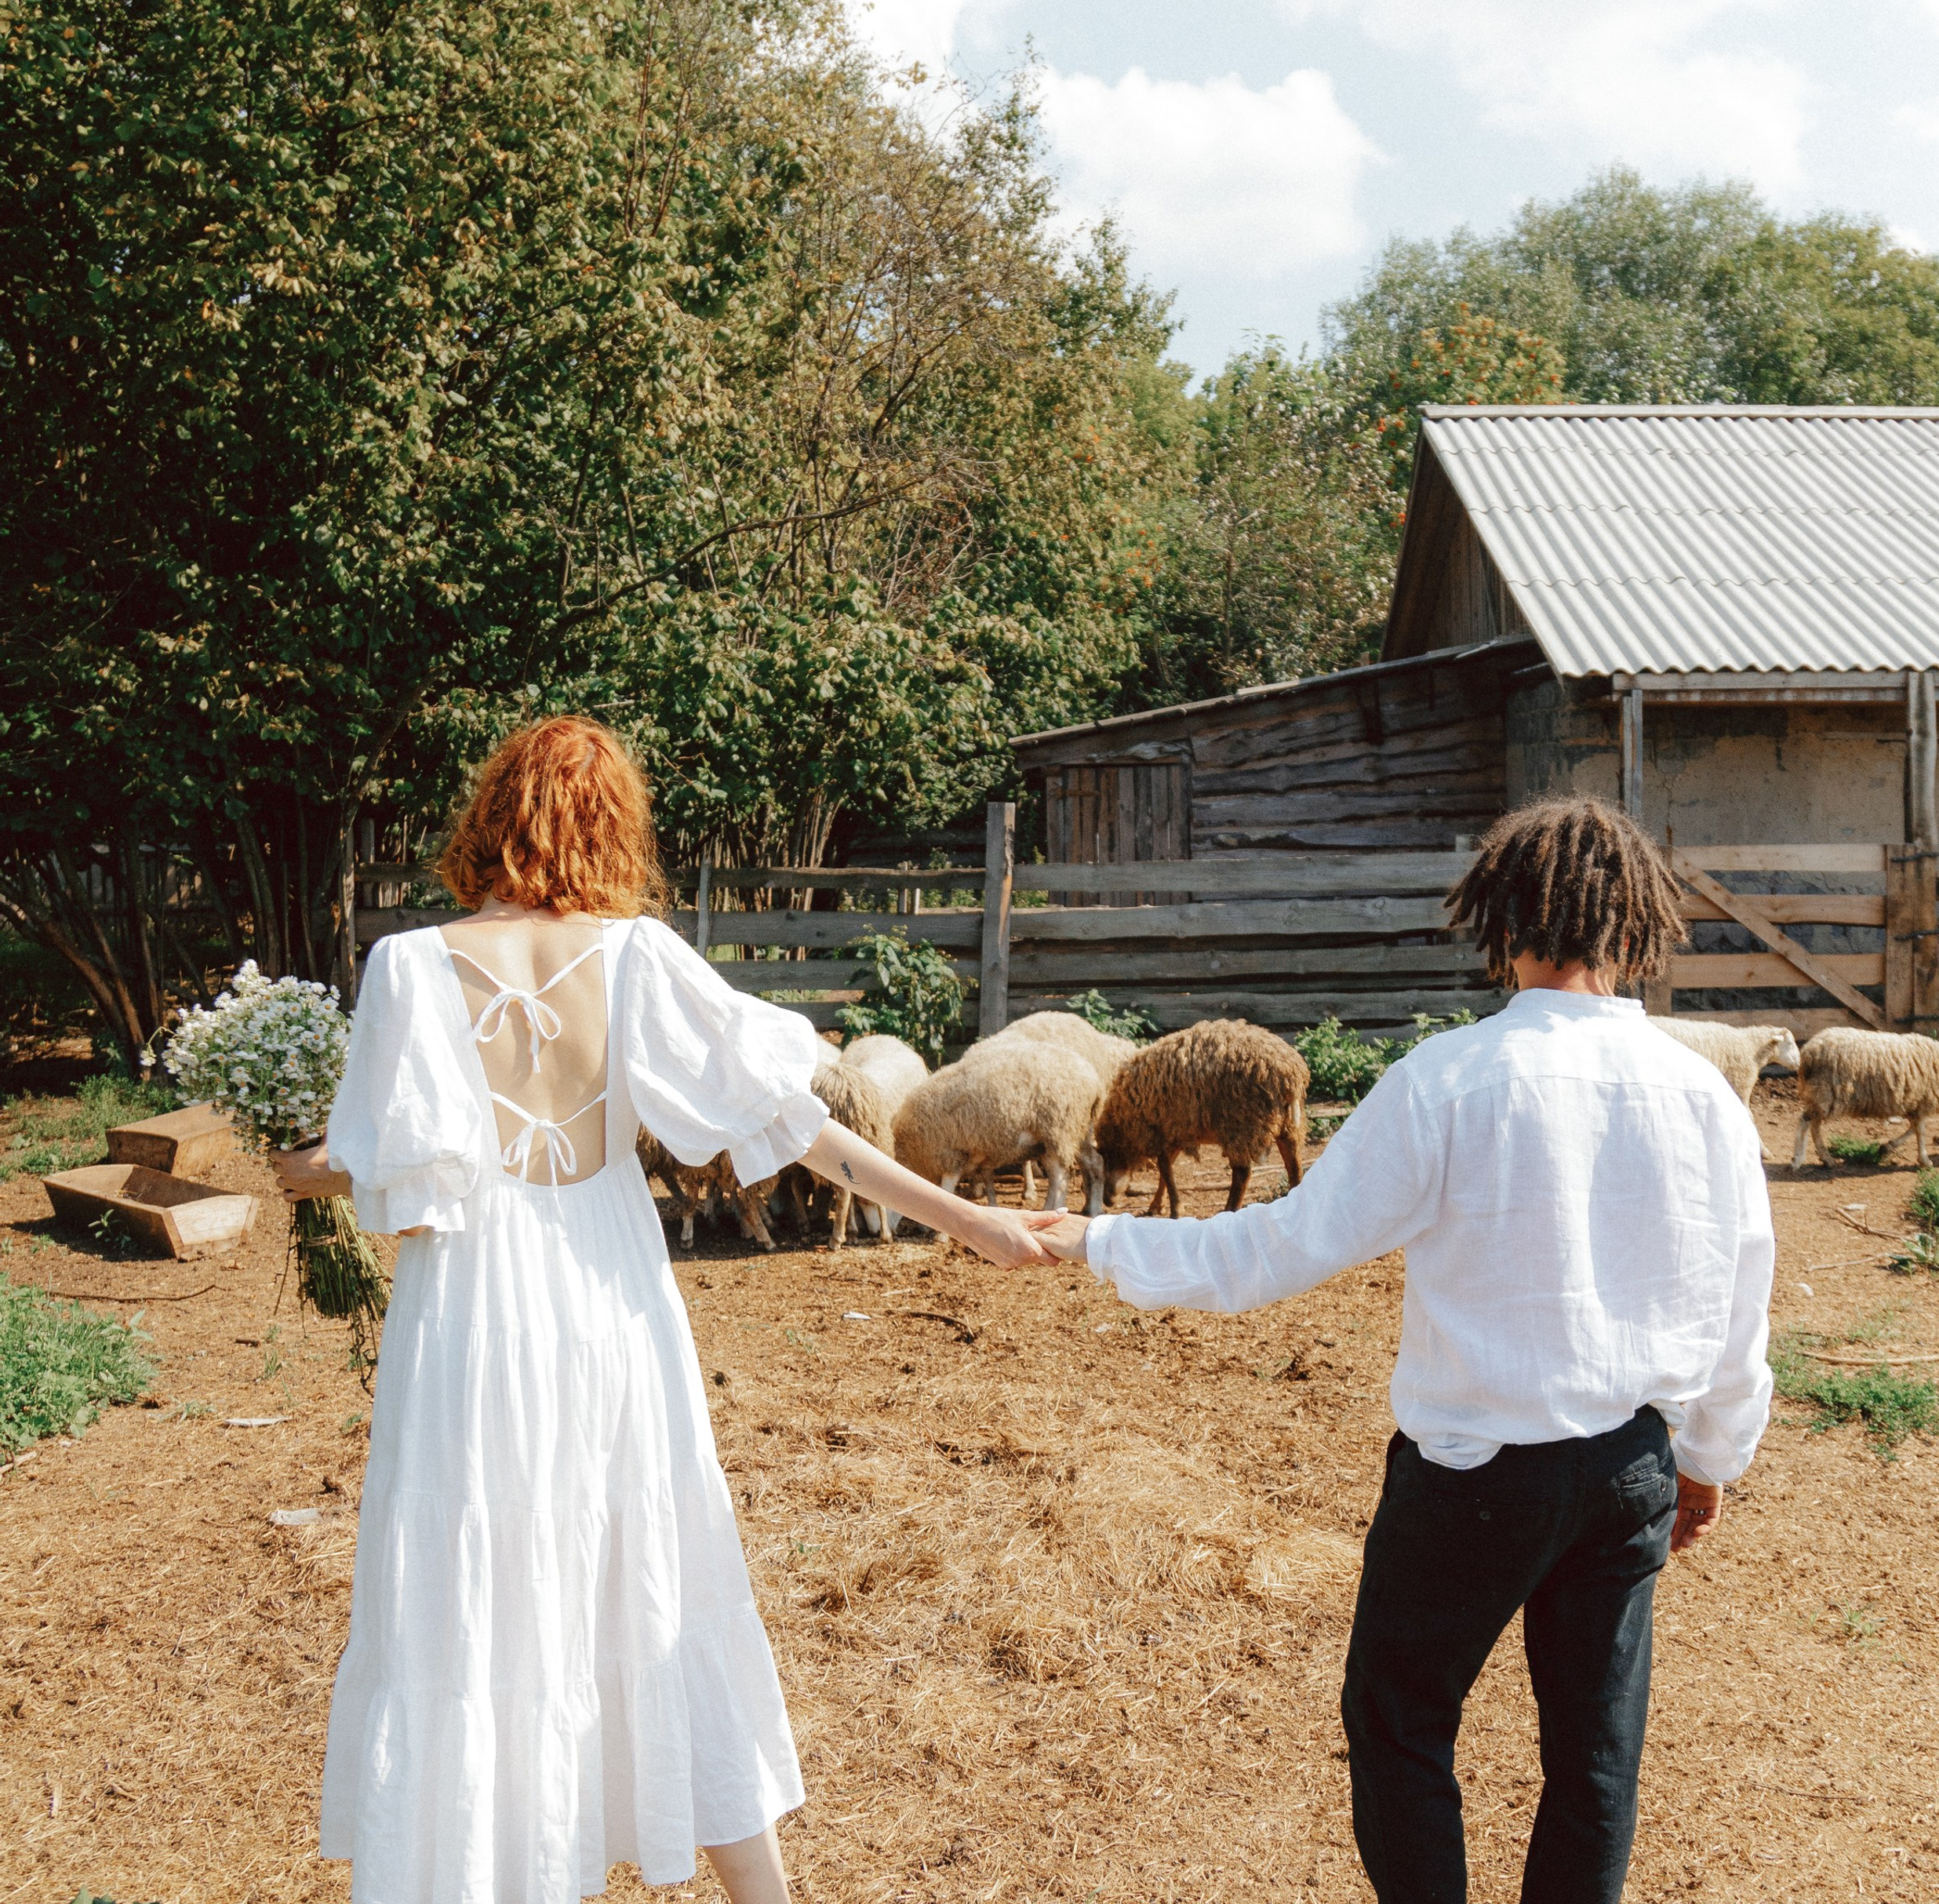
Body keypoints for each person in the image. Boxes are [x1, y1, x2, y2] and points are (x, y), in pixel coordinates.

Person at [275, 716, 1051, 1904]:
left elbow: (408, 1181)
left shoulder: (408, 965)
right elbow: (795, 1127)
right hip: (608, 1307)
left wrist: (311, 1167)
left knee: (475, 1597)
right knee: (658, 1574)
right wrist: (974, 1223)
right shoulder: (637, 957)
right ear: (611, 828)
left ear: (491, 816)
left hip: (474, 1319)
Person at [1029, 797, 1774, 1904]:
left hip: (1474, 1476)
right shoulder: (1700, 1095)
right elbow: (1737, 1298)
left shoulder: (1450, 1081)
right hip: (1628, 1469)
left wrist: (1096, 1240)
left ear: (1505, 921)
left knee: (1401, 1719)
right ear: (1630, 926)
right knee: (1595, 1753)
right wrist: (1712, 1457)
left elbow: (1276, 1248)